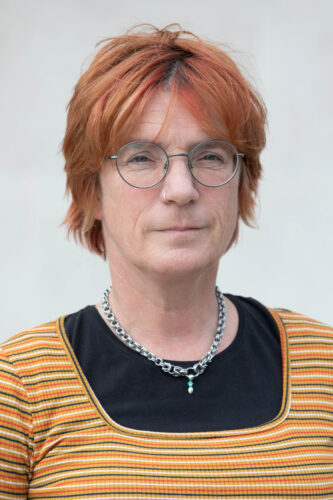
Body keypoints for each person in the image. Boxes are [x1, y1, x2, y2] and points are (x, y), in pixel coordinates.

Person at [0, 24, 332, 499]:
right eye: (141, 158)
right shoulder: (19, 387)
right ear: (91, 190)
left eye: (210, 156)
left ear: (242, 184)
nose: (181, 190)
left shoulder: (324, 367)